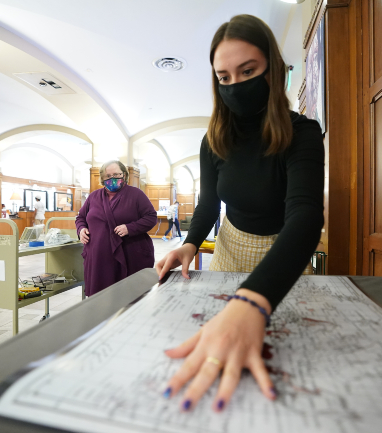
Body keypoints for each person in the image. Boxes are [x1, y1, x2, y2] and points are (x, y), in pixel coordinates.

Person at [155, 15, 324, 412]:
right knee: (221, 348)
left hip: (285, 259)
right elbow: (210, 203)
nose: (235, 85)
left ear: (273, 70)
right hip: (230, 252)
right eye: (224, 77)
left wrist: (253, 300)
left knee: (287, 363)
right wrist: (189, 243)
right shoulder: (213, 140)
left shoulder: (303, 134)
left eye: (248, 71)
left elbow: (305, 216)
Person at [76, 160, 157, 297]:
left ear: (124, 175)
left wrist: (130, 228)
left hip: (128, 254)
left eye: (116, 174)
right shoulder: (94, 197)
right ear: (102, 178)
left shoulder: (136, 194)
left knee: (128, 297)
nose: (112, 179)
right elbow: (81, 218)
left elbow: (151, 217)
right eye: (108, 176)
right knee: (100, 298)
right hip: (99, 258)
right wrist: (81, 229)